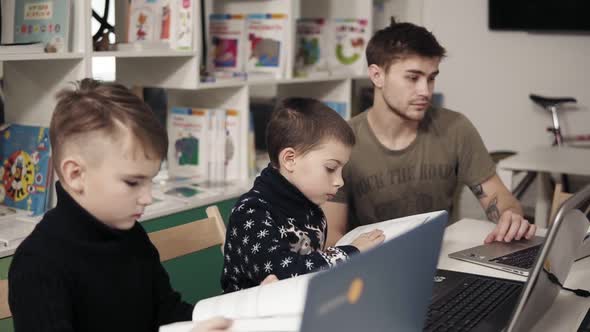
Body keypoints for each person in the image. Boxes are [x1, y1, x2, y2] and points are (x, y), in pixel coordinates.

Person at [8, 79, 232, 332]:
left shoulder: (131, 234)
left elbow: (169, 314)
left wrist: (242, 309)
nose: (147, 197)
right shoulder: (38, 265)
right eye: (133, 182)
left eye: (150, 180)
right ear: (76, 174)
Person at [323, 18, 536, 248]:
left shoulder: (456, 128)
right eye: (413, 78)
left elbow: (499, 197)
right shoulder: (341, 141)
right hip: (373, 268)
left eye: (431, 78)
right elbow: (332, 237)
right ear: (377, 76)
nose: (425, 91)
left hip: (442, 261)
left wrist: (510, 215)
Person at [221, 97, 384, 293]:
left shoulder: (310, 207)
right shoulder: (250, 212)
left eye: (341, 169)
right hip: (248, 319)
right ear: (290, 160)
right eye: (331, 168)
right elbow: (286, 274)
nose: (340, 181)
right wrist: (352, 252)